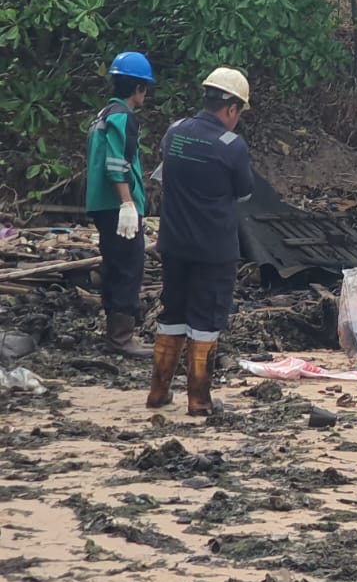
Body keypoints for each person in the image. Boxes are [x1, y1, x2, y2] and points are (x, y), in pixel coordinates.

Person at [147, 68, 254, 417]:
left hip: (174, 243)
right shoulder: (231, 146)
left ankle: (159, 390)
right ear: (232, 109)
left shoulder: (174, 132)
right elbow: (245, 192)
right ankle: (198, 398)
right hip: (214, 249)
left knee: (173, 312)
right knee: (206, 319)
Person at [86, 52, 156, 357]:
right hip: (118, 207)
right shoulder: (123, 117)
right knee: (129, 267)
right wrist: (127, 203)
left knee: (115, 265)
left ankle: (115, 334)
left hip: (102, 205)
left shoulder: (103, 114)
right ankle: (121, 338)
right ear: (138, 88)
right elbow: (117, 163)